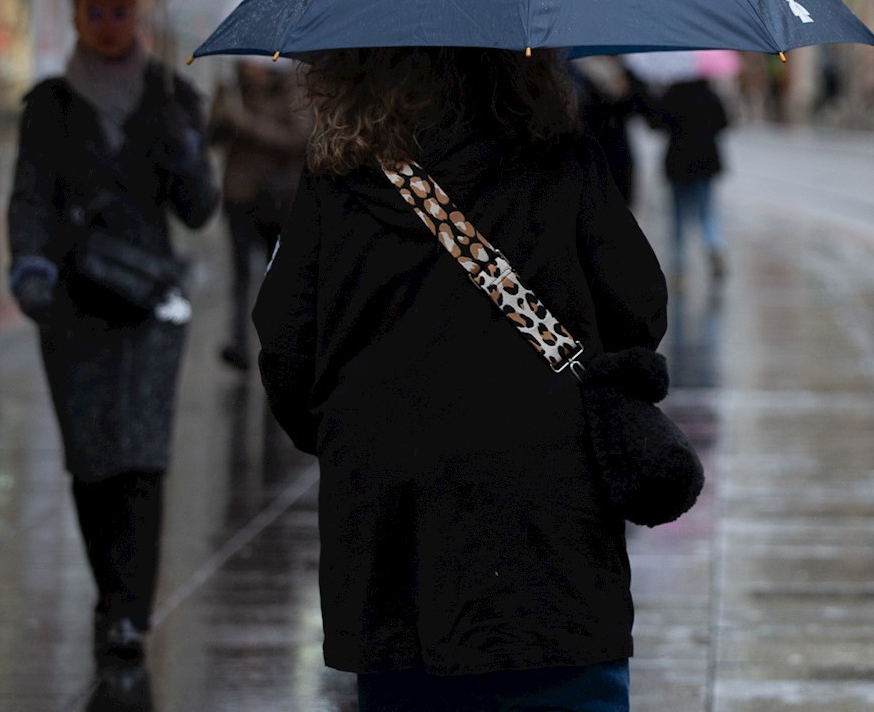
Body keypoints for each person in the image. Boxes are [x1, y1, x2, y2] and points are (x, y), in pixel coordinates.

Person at [253, 48, 665, 711]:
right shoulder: (561, 157)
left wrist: (355, 433)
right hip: (548, 508)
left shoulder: (340, 177)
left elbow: (286, 348)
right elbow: (639, 306)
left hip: (393, 524)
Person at [7, 0, 219, 659]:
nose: (107, 21)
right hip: (72, 305)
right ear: (74, 17)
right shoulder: (49, 104)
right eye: (94, 9)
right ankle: (108, 592)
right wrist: (30, 266)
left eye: (119, 9)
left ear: (138, 15)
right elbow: (30, 195)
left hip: (149, 306)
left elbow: (199, 209)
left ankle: (131, 611)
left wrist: (187, 150)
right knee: (92, 460)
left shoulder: (170, 93)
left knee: (142, 457)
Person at [209, 59, 311, 370]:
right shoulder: (232, 89)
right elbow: (212, 138)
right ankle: (239, 343)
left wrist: (246, 122)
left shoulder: (293, 88)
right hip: (238, 195)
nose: (250, 67)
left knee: (276, 276)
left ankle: (278, 344)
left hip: (277, 197)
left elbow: (299, 138)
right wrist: (221, 115)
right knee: (240, 275)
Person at [648, 77, 731, 279]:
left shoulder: (671, 95)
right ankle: (714, 245)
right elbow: (724, 123)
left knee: (678, 216)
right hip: (705, 162)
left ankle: (678, 263)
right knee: (706, 212)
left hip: (679, 163)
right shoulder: (710, 95)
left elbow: (656, 124)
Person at [571, 56, 643, 204]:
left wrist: (623, 92)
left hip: (619, 153)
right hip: (592, 152)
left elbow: (639, 106)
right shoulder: (578, 70)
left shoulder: (623, 70)